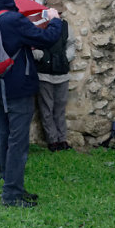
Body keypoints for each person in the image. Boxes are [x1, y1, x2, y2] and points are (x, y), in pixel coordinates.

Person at [0, 0, 63, 207]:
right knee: (18, 141)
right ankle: (11, 194)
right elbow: (48, 39)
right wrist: (54, 20)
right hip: (17, 89)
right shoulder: (13, 19)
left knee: (4, 136)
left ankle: (10, 182)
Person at [35, 16, 73, 151]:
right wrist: (41, 57)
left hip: (62, 74)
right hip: (44, 75)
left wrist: (64, 59)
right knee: (47, 108)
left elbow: (70, 44)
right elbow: (33, 46)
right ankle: (52, 140)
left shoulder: (66, 26)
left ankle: (62, 139)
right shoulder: (40, 25)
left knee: (60, 108)